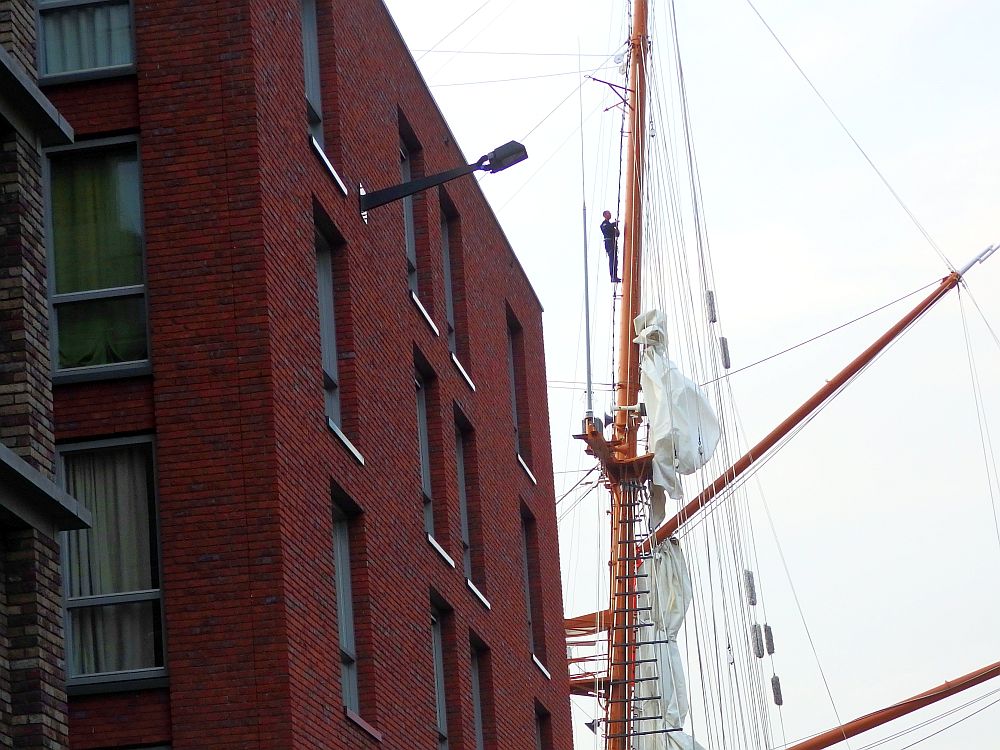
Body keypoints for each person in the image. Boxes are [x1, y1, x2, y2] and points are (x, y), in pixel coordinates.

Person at [600, 210, 621, 283]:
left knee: (615, 260)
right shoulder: (604, 224)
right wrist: (614, 224)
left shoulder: (610, 225)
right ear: (605, 215)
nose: (610, 214)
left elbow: (617, 234)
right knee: (612, 259)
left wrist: (616, 228)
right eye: (608, 213)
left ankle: (615, 276)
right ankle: (612, 276)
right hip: (609, 243)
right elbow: (607, 228)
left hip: (613, 243)